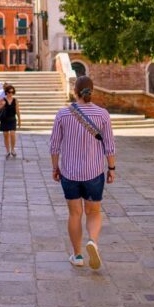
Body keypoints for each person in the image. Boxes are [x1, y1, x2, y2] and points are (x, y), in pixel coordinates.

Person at [49, 76, 115, 270]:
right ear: (91, 91)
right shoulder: (103, 115)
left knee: (75, 213)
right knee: (93, 212)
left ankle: (77, 255)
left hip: (69, 173)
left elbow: (54, 146)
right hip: (94, 172)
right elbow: (109, 146)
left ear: (75, 91)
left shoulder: (63, 114)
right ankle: (92, 241)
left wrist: (55, 168)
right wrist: (111, 169)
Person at [0, 83, 21, 157]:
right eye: (9, 92)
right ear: (6, 92)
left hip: (12, 119)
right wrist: (2, 105)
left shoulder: (15, 100)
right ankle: (7, 151)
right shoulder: (2, 99)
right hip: (4, 119)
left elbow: (17, 111)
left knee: (12, 134)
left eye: (12, 92)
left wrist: (19, 120)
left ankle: (12, 149)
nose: (11, 94)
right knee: (6, 135)